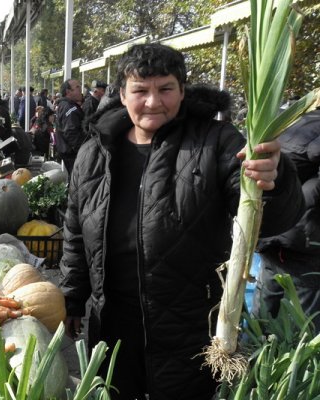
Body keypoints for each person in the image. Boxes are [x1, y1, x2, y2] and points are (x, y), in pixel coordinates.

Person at [59, 43, 304, 400]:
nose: (153, 102)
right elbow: (75, 231)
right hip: (111, 322)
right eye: (140, 90)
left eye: (165, 89)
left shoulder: (217, 142)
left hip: (187, 326)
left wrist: (276, 179)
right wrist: (71, 296)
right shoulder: (94, 152)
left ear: (183, 91)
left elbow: (269, 221)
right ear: (122, 95)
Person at [253, 101, 320, 330]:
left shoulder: (293, 122)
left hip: (270, 233)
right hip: (302, 242)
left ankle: (253, 353)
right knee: (307, 319)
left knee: (264, 309)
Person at [55, 78, 85, 176]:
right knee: (77, 180)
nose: (80, 89)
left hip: (68, 151)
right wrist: (82, 151)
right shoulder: (69, 107)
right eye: (77, 87)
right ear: (68, 92)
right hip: (73, 153)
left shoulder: (66, 105)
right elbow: (71, 131)